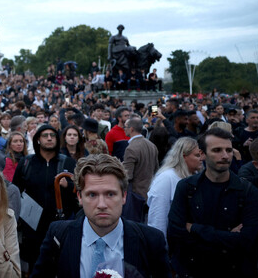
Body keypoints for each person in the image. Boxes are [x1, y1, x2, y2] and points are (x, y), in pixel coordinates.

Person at [31, 154, 170, 278]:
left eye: (110, 194)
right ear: (80, 197)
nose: (102, 204)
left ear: (124, 196)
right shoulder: (58, 236)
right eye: (92, 195)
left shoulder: (151, 240)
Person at [167, 127, 258, 277]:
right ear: (202, 154)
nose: (225, 156)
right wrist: (227, 236)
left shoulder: (248, 191)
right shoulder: (187, 187)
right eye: (217, 150)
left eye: (229, 150)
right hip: (193, 270)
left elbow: (246, 241)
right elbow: (176, 233)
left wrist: (195, 228)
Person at [12, 124, 77, 274]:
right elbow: (16, 191)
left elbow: (80, 191)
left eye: (52, 135)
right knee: (36, 267)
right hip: (32, 227)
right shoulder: (26, 163)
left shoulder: (67, 163)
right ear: (38, 140)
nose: (49, 138)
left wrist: (69, 185)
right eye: (45, 135)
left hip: (60, 224)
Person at [146, 137, 203, 240]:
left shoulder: (197, 177)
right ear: (184, 156)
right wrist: (160, 248)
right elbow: (158, 219)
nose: (201, 159)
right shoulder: (166, 178)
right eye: (197, 155)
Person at [122, 117, 159, 199]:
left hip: (136, 194)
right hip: (150, 191)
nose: (124, 129)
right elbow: (156, 169)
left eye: (125, 127)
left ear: (131, 129)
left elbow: (127, 175)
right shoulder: (151, 145)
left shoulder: (131, 148)